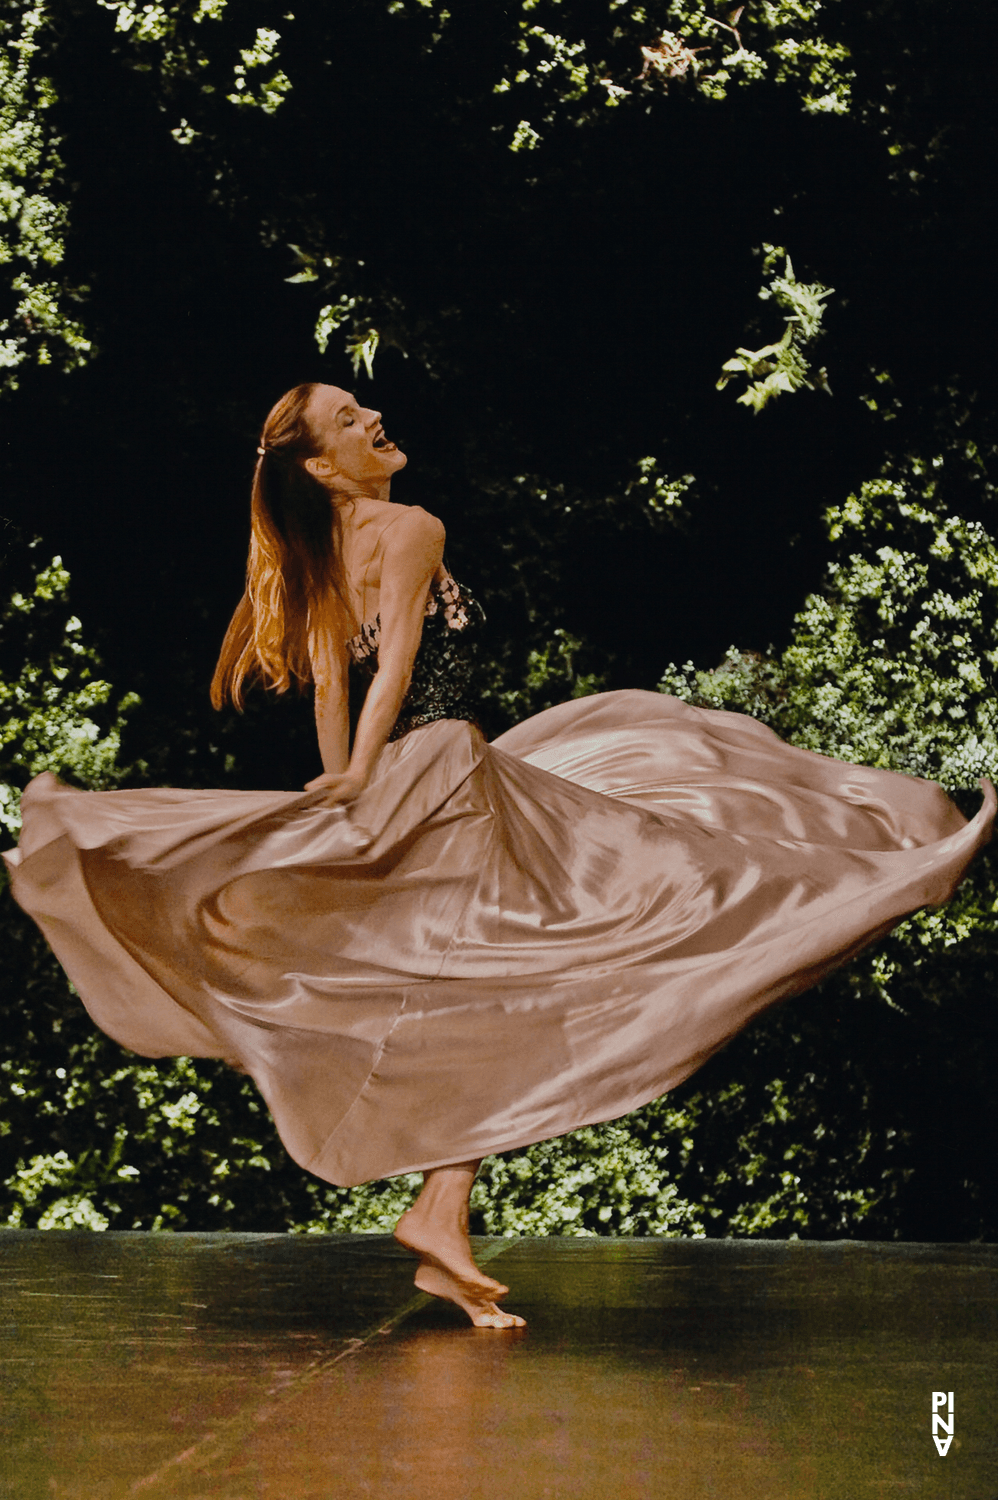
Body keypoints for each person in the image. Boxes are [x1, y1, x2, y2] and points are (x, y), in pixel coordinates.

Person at [5, 383, 994, 1332]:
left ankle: (440, 1212)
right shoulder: (409, 527)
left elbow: (328, 693)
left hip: (418, 771)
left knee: (485, 990)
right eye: (350, 419)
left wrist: (348, 781)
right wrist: (352, 788)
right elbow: (388, 668)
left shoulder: (322, 549)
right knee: (592, 940)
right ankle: (852, 865)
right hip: (444, 773)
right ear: (321, 465)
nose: (374, 418)